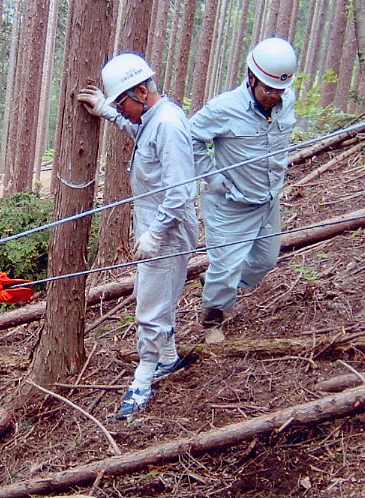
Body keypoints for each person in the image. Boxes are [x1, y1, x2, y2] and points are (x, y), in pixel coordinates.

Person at [77, 53, 198, 419]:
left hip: (169, 231)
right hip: (157, 225)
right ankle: (168, 358)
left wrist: (156, 234)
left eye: (121, 102)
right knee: (161, 299)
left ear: (141, 91)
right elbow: (136, 130)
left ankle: (143, 379)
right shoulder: (151, 119)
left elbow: (181, 190)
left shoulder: (170, 125)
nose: (121, 109)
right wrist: (107, 111)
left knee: (149, 307)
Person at [189, 37, 297, 338]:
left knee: (265, 260)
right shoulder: (224, 108)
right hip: (230, 205)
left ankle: (218, 282)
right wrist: (211, 176)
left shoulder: (288, 101)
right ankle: (213, 320)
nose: (274, 95)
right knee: (225, 268)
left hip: (268, 200)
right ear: (251, 77)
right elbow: (191, 137)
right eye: (268, 88)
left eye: (280, 89)